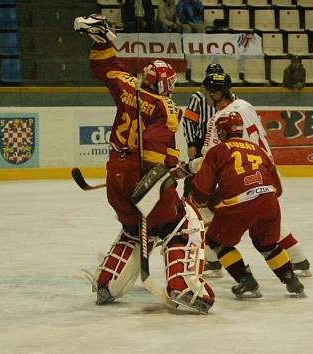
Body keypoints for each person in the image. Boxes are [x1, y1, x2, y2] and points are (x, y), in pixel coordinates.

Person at [73, 14, 214, 314]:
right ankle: (183, 285)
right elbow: (154, 146)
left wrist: (102, 45)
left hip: (116, 176)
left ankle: (108, 281)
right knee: (182, 220)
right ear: (165, 84)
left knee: (134, 230)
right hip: (143, 177)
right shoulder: (167, 107)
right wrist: (165, 170)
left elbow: (107, 69)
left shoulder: (128, 89)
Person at [188, 72, 311, 297]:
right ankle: (295, 265)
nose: (205, 96)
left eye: (207, 92)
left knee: (214, 228)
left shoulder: (219, 121)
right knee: (266, 233)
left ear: (217, 93)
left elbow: (208, 160)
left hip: (238, 181)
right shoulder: (245, 105)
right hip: (264, 172)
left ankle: (224, 265)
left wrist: (188, 172)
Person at [182, 63, 224, 278]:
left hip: (219, 144)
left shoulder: (228, 98)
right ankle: (187, 211)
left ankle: (199, 213)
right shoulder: (198, 97)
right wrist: (191, 142)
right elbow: (189, 120)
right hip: (200, 143)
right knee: (194, 181)